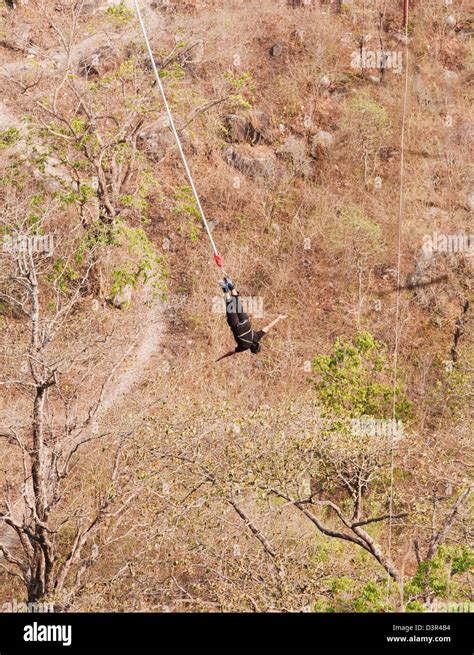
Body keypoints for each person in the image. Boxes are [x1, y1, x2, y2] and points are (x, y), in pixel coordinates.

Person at [216, 277, 287, 361]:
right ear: (251, 349)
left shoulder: (257, 337)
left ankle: (231, 286)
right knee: (230, 305)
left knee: (237, 302)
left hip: (245, 321)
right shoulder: (243, 348)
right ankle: (225, 289)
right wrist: (220, 358)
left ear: (258, 344)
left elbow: (268, 327)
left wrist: (278, 318)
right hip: (237, 326)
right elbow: (230, 352)